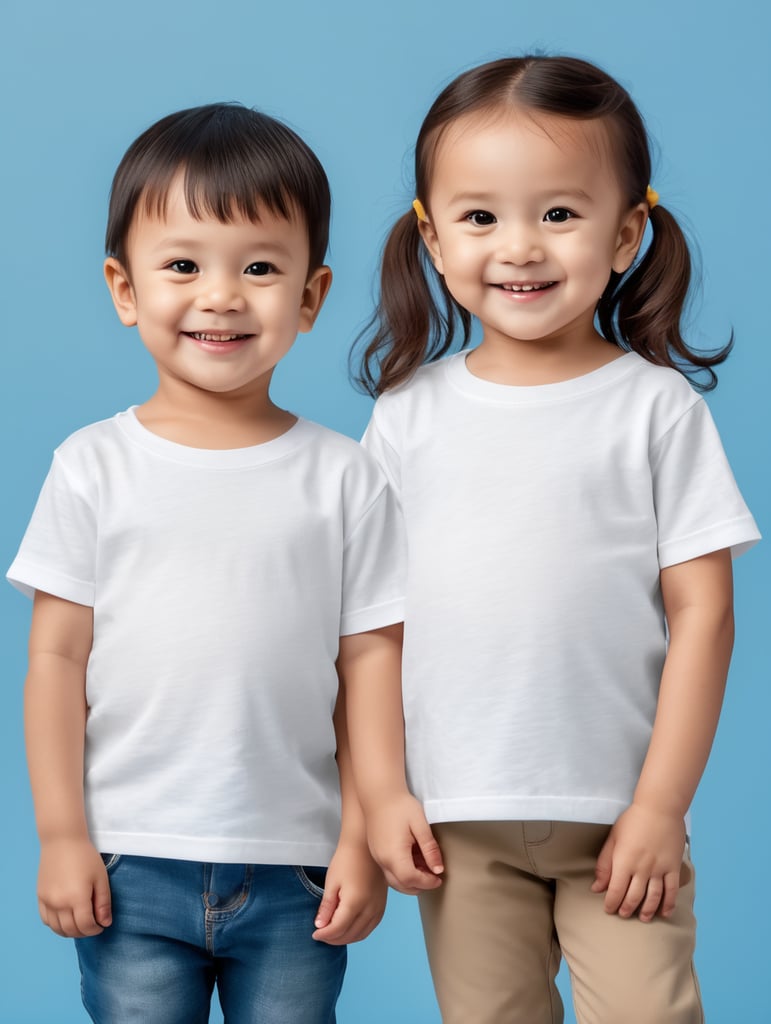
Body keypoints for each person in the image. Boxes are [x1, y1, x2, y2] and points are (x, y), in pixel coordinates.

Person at [343, 56, 761, 1024]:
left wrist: (659, 807)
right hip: (456, 817)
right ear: (432, 237)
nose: (520, 246)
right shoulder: (406, 417)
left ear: (625, 234)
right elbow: (368, 625)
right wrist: (381, 793)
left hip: (617, 813)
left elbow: (704, 617)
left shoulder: (655, 410)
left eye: (560, 213)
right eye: (480, 216)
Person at [8, 102, 404, 1024]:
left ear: (310, 296)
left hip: (298, 870)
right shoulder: (92, 466)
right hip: (129, 861)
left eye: (259, 268)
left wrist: (360, 838)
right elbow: (56, 661)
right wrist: (61, 834)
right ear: (124, 288)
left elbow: (370, 670)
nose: (221, 296)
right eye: (183, 265)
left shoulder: (345, 477)